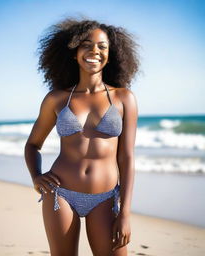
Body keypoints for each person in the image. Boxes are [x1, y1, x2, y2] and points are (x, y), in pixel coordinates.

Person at [25, 17, 139, 256]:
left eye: (102, 46)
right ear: (74, 52)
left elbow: (126, 158)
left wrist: (125, 213)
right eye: (86, 44)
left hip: (106, 198)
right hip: (60, 195)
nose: (94, 51)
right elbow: (33, 144)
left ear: (111, 54)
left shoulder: (123, 98)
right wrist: (36, 177)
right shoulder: (56, 99)